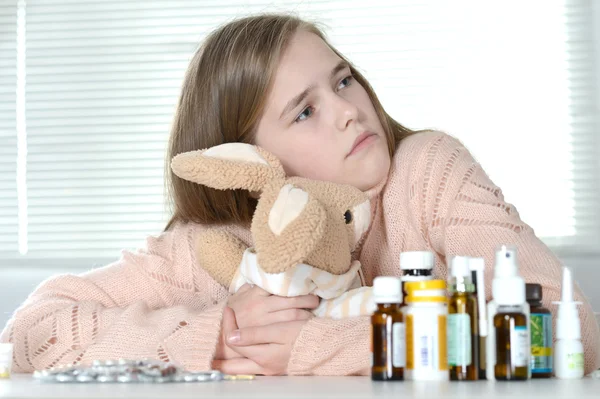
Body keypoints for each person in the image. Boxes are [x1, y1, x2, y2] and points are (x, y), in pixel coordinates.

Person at [1, 13, 598, 376]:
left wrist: (316, 346)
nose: (348, 111)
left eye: (342, 79)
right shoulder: (214, 245)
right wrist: (216, 333)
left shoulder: (428, 170)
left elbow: (570, 331)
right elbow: (33, 331)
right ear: (247, 161)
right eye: (305, 110)